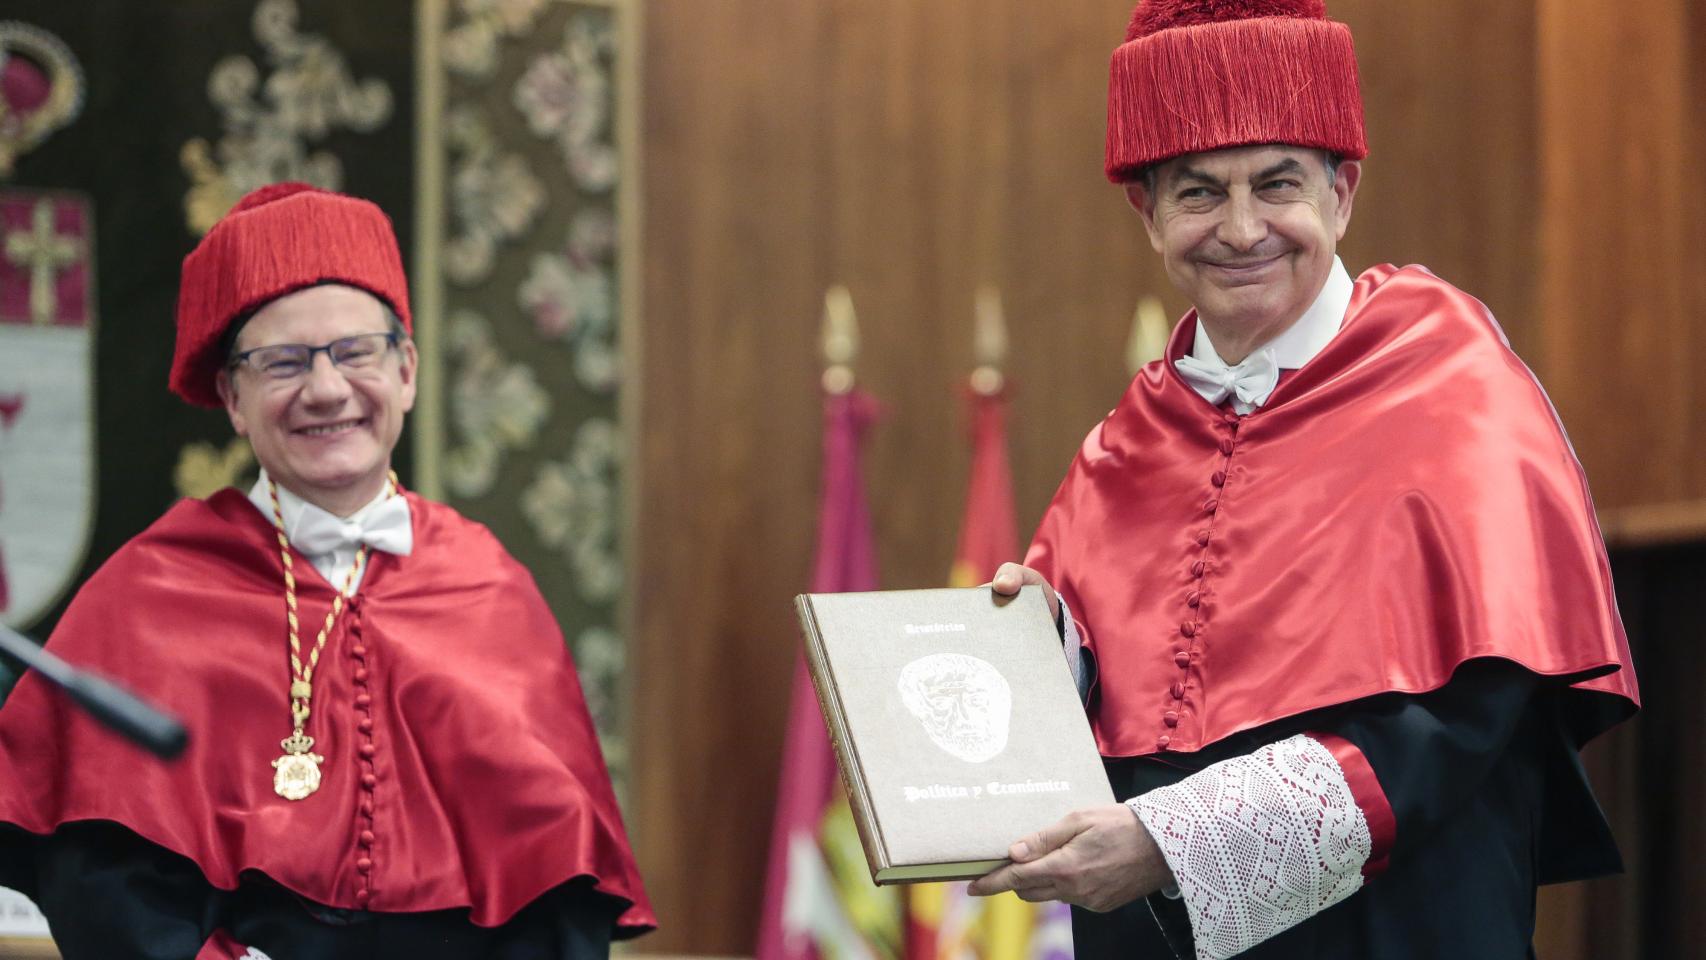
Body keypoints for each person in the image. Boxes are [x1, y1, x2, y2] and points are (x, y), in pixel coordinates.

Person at [967, 2, 1639, 957]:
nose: (1243, 231)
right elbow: (1127, 708)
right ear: (1147, 213)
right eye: (1199, 194)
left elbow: (1460, 719)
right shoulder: (1123, 444)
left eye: (1276, 184)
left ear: (1342, 192)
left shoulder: (1454, 386)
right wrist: (1055, 647)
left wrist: (1174, 843)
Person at [0, 182, 654, 958]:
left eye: (354, 353)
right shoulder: (149, 592)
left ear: (406, 371)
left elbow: (558, 893)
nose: (326, 390)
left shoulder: (491, 586)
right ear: (233, 399)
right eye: (283, 363)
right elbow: (106, 883)